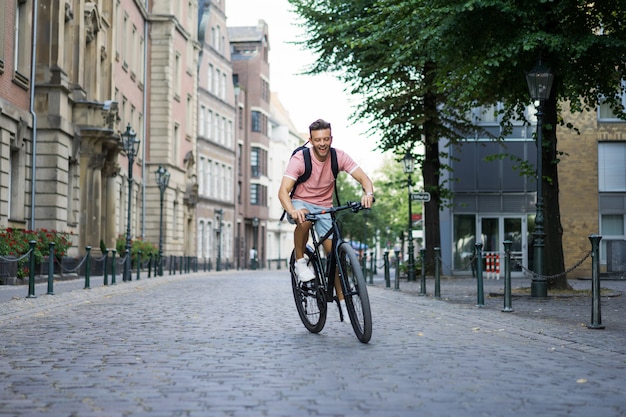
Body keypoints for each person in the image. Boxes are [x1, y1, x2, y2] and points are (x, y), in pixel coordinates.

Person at [278, 119, 375, 321]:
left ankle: (343, 301)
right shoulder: (300, 159)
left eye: (326, 139)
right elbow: (283, 192)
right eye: (317, 140)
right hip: (300, 202)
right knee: (304, 219)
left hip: (325, 207)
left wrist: (368, 193)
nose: (322, 143)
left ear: (331, 138)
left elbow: (364, 178)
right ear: (310, 140)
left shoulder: (338, 156)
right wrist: (292, 211)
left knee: (335, 257)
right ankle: (300, 262)